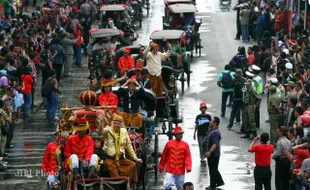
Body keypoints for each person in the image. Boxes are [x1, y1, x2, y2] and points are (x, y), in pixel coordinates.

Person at [101, 115, 142, 184]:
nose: (116, 125)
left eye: (118, 124)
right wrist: (101, 123)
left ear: (121, 124)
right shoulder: (107, 130)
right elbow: (102, 131)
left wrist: (135, 158)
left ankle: (127, 184)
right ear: (112, 123)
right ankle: (117, 183)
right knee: (112, 168)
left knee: (132, 165)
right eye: (115, 123)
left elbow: (129, 146)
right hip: (109, 159)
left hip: (121, 159)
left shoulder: (124, 131)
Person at [204, 116, 225, 190]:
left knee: (213, 170)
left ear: (215, 123)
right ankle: (219, 182)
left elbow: (215, 144)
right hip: (211, 153)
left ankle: (212, 185)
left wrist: (210, 152)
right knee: (213, 169)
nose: (210, 122)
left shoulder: (215, 133)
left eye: (211, 121)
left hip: (214, 154)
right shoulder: (212, 130)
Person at [250, 65, 263, 129]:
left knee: (254, 110)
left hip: (256, 96)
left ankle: (255, 124)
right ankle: (257, 124)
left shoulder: (254, 79)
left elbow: (253, 89)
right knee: (257, 110)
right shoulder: (259, 78)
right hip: (260, 95)